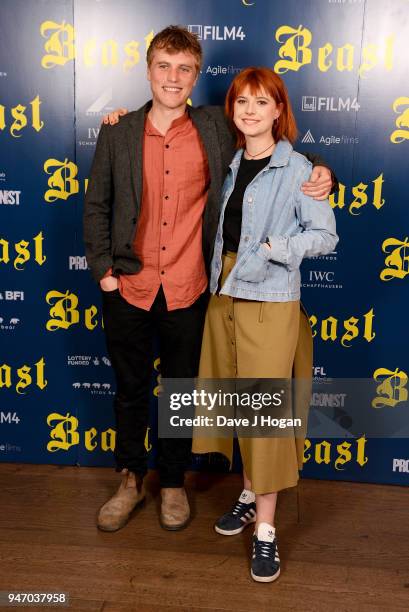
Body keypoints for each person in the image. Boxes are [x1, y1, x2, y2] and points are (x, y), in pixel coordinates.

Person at [84, 25, 336, 534]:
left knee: (180, 392)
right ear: (149, 69)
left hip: (192, 286)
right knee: (131, 390)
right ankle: (131, 479)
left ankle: (172, 483)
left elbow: (273, 158)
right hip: (129, 286)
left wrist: (325, 173)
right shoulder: (118, 130)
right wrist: (104, 272)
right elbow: (97, 205)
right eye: (164, 66)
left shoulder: (216, 129)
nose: (173, 78)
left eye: (184, 69)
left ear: (196, 76)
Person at [191, 67, 338, 583]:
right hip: (223, 294)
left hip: (270, 300)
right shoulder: (231, 164)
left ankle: (268, 531)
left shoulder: (299, 169)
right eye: (241, 102)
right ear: (231, 110)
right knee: (236, 404)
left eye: (261, 102)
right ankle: (250, 496)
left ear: (279, 110)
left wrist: (279, 249)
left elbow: (325, 237)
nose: (250, 110)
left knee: (265, 414)